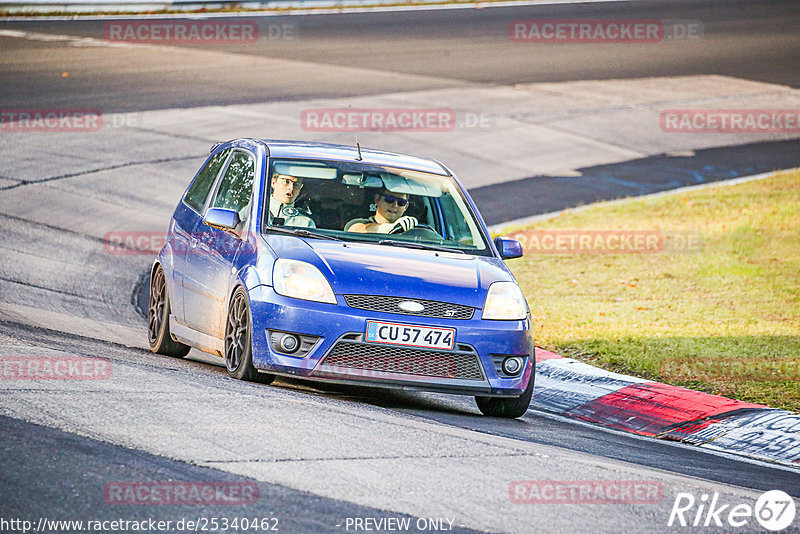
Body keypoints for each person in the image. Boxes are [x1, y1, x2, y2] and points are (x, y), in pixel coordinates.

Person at [345, 189, 418, 234]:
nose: (395, 205)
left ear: (406, 206)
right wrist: (391, 228)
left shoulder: (411, 232)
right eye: (389, 199)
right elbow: (359, 230)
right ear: (377, 199)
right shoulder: (358, 223)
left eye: (401, 202)